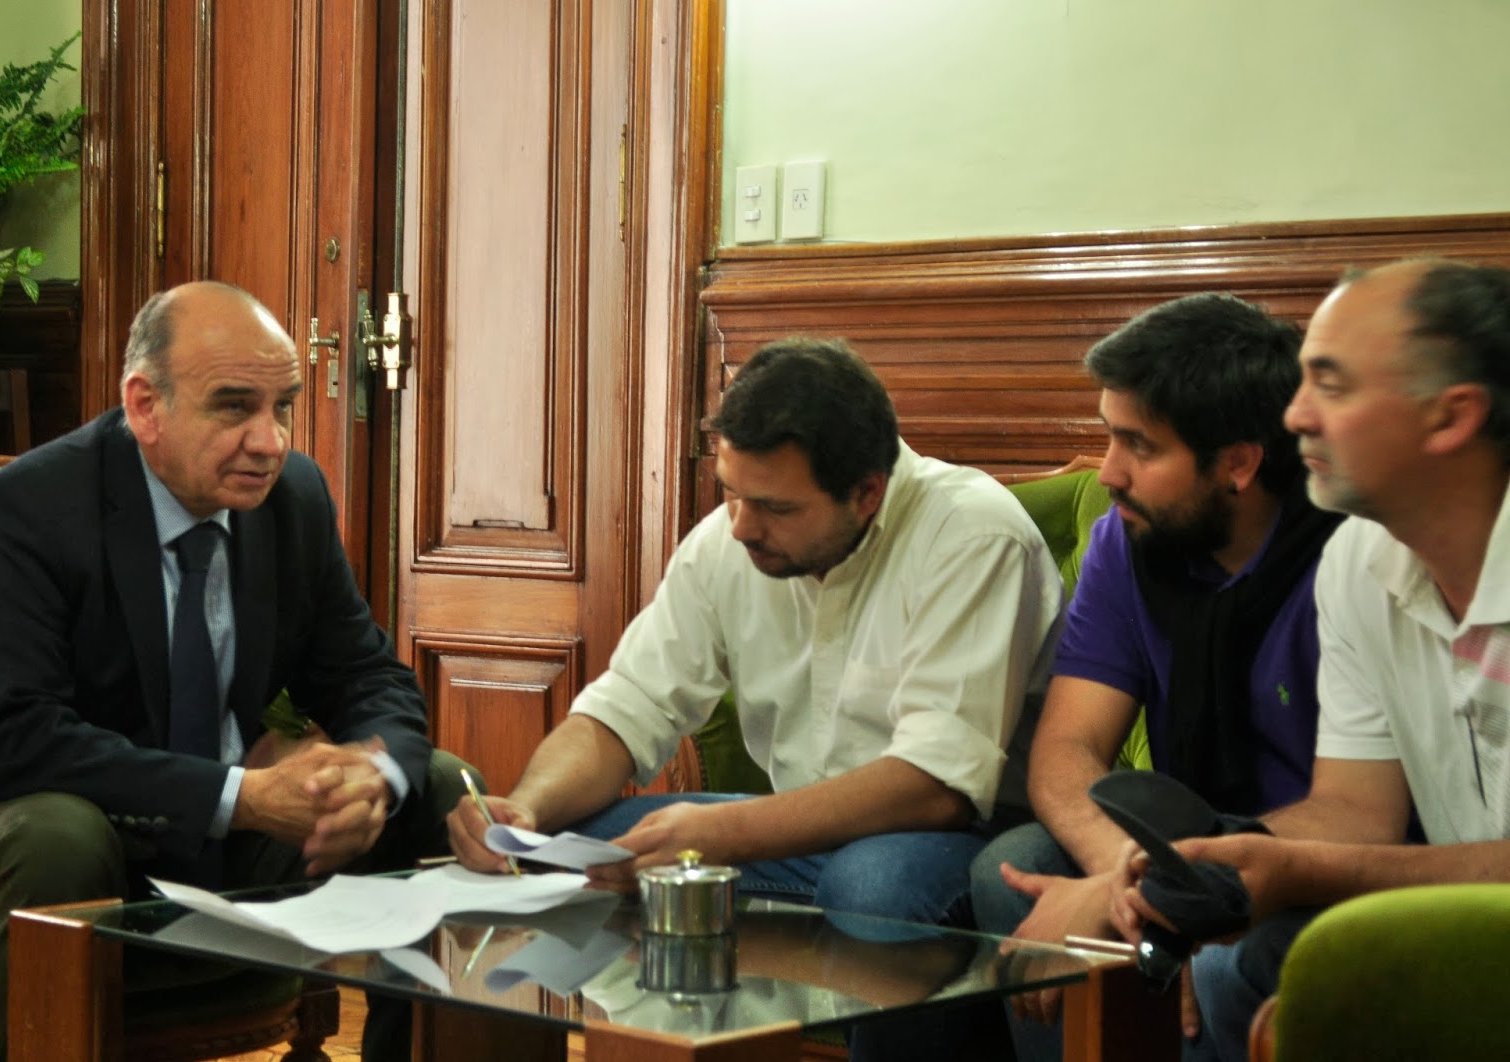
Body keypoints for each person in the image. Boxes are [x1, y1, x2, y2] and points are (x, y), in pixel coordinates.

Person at [447, 336, 1063, 1058]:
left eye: (773, 506)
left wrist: (723, 834)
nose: (740, 526)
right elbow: (625, 709)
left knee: (873, 882)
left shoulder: (973, 534)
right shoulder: (727, 542)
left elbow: (937, 788)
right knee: (572, 846)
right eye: (731, 492)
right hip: (801, 835)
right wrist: (526, 810)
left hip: (969, 838)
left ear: (868, 493)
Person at [0, 281, 473, 1060]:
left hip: (223, 839)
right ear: (145, 406)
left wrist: (372, 775)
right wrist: (241, 797)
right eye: (234, 407)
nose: (270, 441)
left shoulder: (293, 498)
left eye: (283, 407)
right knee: (58, 834)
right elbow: (14, 737)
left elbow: (367, 676)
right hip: (25, 832)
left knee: (436, 786)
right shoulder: (37, 504)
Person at [1109, 259, 1510, 1062]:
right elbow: (1357, 810)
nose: (1295, 416)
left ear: (1451, 416)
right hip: (1465, 919)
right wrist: (1228, 862)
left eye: (1331, 384)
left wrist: (1291, 871)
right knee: (1219, 956)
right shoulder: (1359, 558)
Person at [968, 293, 1342, 1062]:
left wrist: (1168, 896)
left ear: (1238, 463)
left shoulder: (1347, 558)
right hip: (1181, 845)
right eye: (1110, 436)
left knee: (1234, 949)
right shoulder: (1125, 543)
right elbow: (1067, 750)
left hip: (1321, 857)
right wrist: (1125, 878)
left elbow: (1361, 814)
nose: (1107, 472)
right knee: (1016, 871)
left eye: (1139, 446)